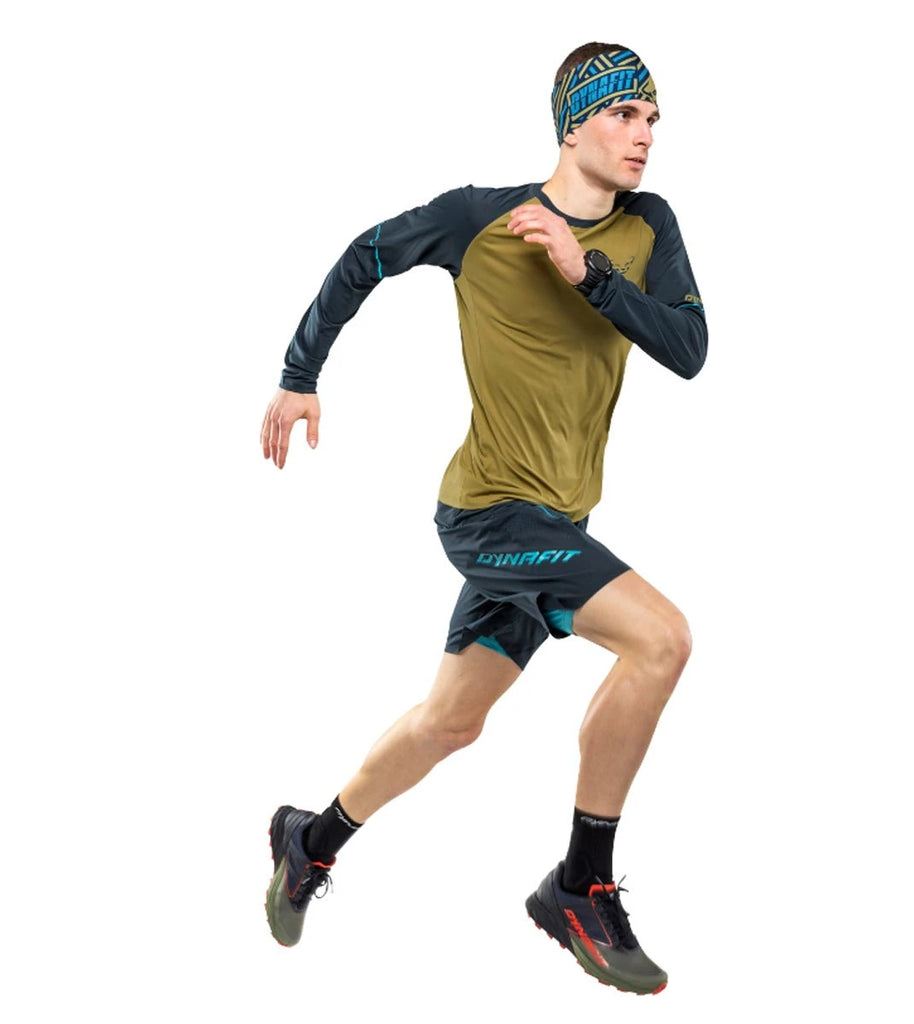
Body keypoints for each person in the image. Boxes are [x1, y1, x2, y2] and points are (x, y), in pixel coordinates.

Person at [260, 42, 706, 996]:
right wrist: (300, 375)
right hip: (491, 515)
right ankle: (581, 883)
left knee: (449, 722)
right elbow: (367, 255)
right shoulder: (481, 220)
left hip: (557, 521)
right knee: (662, 640)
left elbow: (689, 348)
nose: (644, 135)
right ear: (573, 124)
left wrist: (588, 273)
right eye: (624, 114)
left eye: (652, 119)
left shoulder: (647, 227)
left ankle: (310, 840)